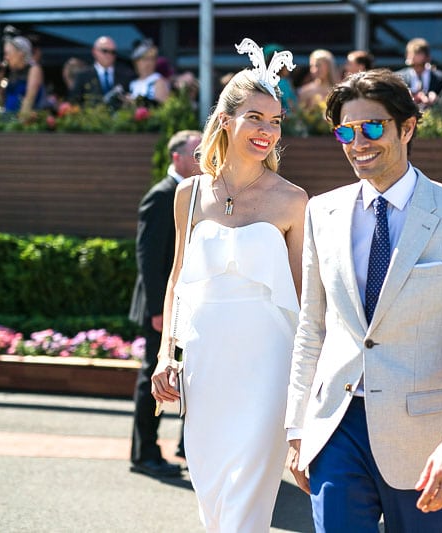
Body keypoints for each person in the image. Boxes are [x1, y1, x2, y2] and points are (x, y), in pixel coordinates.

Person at [285, 69, 442, 533]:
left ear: (408, 127)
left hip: (425, 442)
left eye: (373, 127)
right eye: (346, 131)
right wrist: (298, 429)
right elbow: (311, 328)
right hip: (335, 429)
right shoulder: (322, 211)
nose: (359, 142)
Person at [150, 38, 308, 531]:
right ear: (226, 120)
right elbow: (177, 279)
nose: (267, 130)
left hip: (270, 366)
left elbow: (305, 297)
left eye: (276, 121)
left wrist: (309, 384)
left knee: (248, 501)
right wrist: (165, 354)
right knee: (212, 491)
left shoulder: (293, 200)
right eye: (256, 117)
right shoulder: (189, 194)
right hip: (204, 361)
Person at [129, 129, 203, 478]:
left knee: (188, 372)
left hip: (186, 305)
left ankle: (185, 445)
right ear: (177, 158)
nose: (204, 160)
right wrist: (160, 311)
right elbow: (148, 258)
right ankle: (144, 453)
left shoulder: (198, 195)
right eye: (196, 154)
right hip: (161, 308)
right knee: (151, 376)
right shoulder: (161, 195)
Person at [69, 36, 132, 107]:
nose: (109, 55)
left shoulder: (127, 75)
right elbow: (74, 102)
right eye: (105, 51)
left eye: (112, 52)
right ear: (94, 51)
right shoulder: (83, 76)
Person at [0, 35, 44, 116]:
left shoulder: (34, 69)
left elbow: (29, 100)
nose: (6, 58)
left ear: (20, 54)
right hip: (8, 119)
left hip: (24, 123)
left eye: (8, 54)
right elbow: (0, 101)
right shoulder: (10, 72)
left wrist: (18, 124)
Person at [395, 37, 442, 109]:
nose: (412, 57)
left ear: (428, 57)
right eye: (410, 53)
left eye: (417, 53)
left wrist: (436, 100)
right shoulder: (398, 78)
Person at [128, 39, 170, 106]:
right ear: (136, 62)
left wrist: (135, 102)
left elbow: (162, 109)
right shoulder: (132, 83)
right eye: (145, 59)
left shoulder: (158, 81)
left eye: (152, 59)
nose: (149, 63)